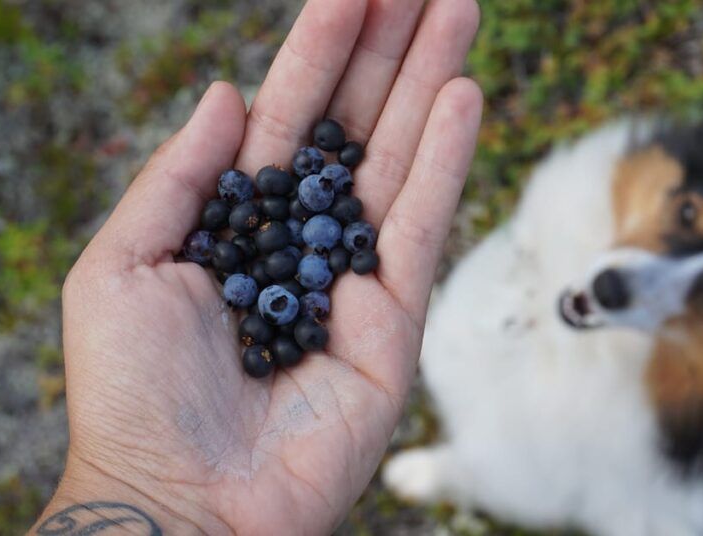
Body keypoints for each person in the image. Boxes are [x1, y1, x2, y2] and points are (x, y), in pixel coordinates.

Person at [29, 0, 482, 533]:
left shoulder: (299, 244)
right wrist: (138, 483)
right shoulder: (275, 268)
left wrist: (141, 487)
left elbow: (300, 252)